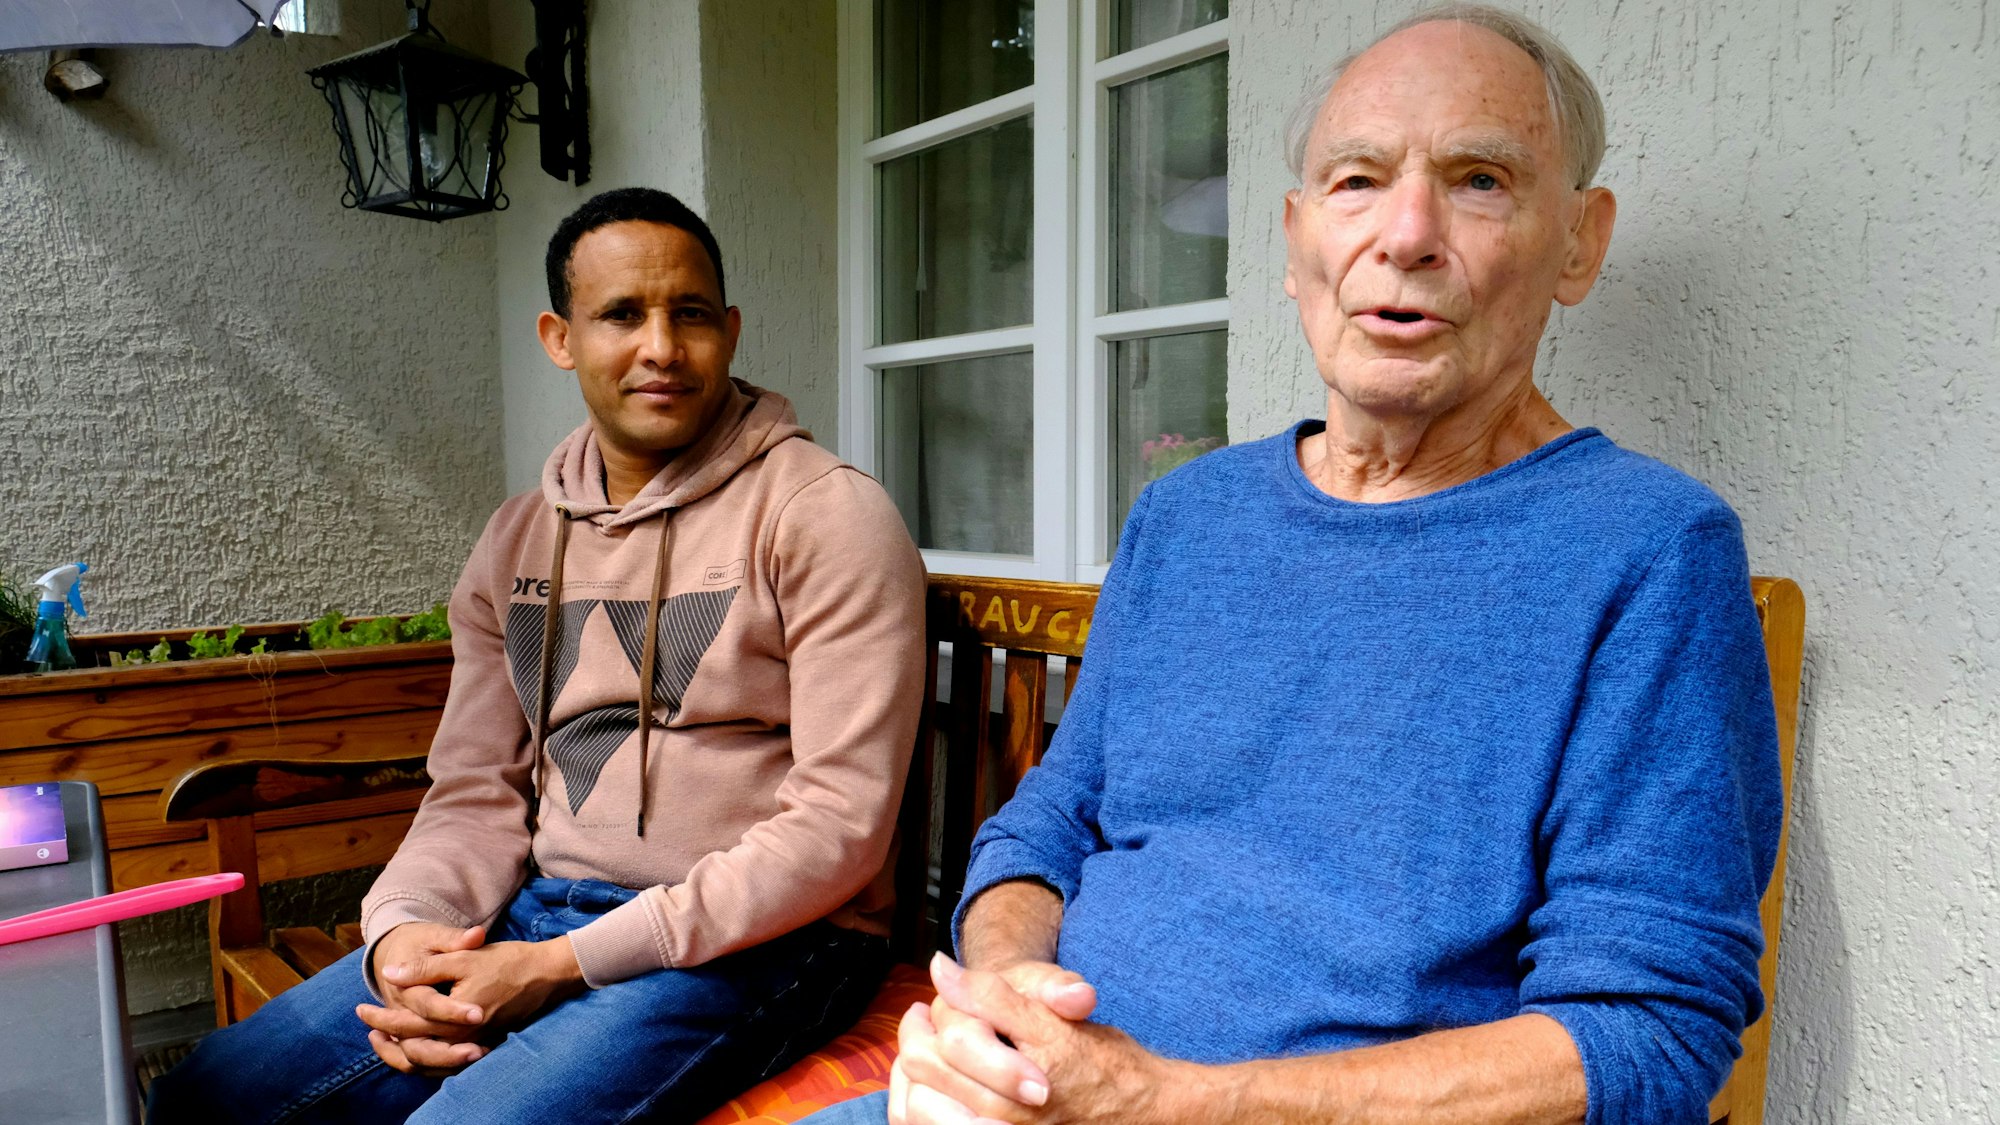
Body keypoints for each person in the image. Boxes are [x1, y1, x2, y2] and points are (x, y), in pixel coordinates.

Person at [800, 6, 1781, 1125]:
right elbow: (1047, 822)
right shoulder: (1186, 515)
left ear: (1577, 242)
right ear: (1293, 237)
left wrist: (1162, 1102)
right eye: (1356, 179)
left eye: (1478, 180)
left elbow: (1642, 1035)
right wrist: (1003, 996)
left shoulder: (1647, 552)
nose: (1403, 233)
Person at [150, 188, 928, 1124]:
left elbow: (841, 827)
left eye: (689, 315)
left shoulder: (825, 514)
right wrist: (402, 942)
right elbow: (474, 788)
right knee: (206, 1097)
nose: (660, 348)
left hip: (767, 941)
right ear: (560, 338)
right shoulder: (517, 538)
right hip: (540, 908)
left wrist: (558, 968)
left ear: (728, 329)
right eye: (621, 315)